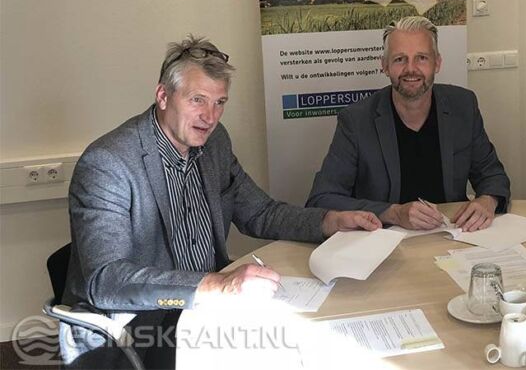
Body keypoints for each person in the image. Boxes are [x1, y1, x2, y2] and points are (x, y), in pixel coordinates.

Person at [61, 35, 380, 367]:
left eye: (219, 102)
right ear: (163, 96)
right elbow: (107, 280)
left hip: (209, 312)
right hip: (141, 328)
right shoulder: (109, 163)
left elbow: (261, 212)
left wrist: (328, 221)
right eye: (197, 100)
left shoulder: (214, 144)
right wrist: (216, 285)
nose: (210, 117)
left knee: (320, 342)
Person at [306, 16, 510, 232]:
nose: (411, 69)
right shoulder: (356, 120)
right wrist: (393, 213)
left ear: (437, 63)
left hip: (450, 234)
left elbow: (492, 175)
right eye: (399, 59)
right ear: (384, 66)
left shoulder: (463, 105)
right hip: (383, 240)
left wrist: (488, 200)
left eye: (421, 58)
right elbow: (322, 199)